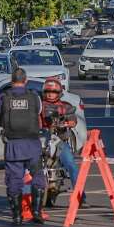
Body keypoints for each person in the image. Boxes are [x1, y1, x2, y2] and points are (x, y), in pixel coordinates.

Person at [0, 68, 47, 225]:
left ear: (12, 81)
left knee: (14, 180)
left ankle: (17, 216)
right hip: (32, 144)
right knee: (38, 176)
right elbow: (39, 113)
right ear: (26, 81)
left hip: (13, 145)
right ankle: (36, 212)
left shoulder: (4, 97)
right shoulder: (34, 97)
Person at [40, 77, 87, 207]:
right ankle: (27, 196)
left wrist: (69, 121)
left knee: (71, 164)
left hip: (59, 141)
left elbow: (73, 119)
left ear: (59, 93)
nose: (50, 94)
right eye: (48, 91)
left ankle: (81, 196)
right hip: (41, 140)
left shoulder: (65, 106)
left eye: (54, 92)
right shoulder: (38, 106)